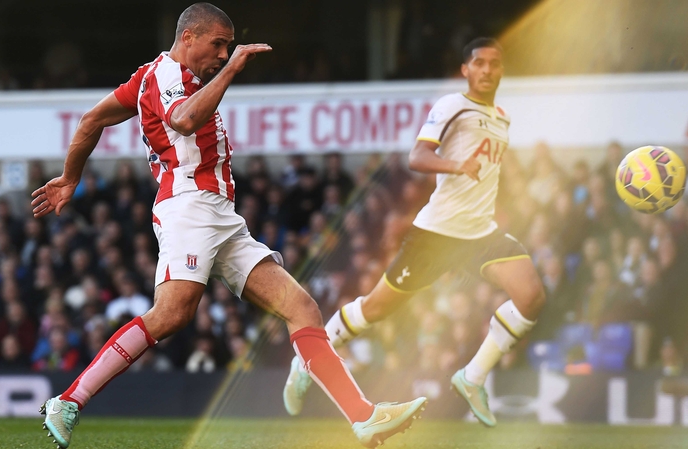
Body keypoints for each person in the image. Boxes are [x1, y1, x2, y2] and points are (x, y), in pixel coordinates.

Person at [32, 4, 426, 448]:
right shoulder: (170, 77)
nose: (223, 53)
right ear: (188, 38)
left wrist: (70, 177)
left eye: (227, 47)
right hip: (190, 206)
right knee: (171, 315)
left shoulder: (148, 78)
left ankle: (363, 417)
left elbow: (92, 120)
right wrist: (233, 69)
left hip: (220, 215)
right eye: (217, 43)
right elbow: (182, 119)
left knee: (302, 308)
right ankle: (67, 401)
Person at [283, 37, 546, 428]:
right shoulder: (452, 106)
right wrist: (458, 167)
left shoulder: (502, 118)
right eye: (480, 63)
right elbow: (418, 156)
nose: (488, 70)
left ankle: (472, 378)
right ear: (466, 70)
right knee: (376, 308)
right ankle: (308, 358)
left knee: (531, 296)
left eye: (495, 63)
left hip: (480, 233)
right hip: (436, 235)